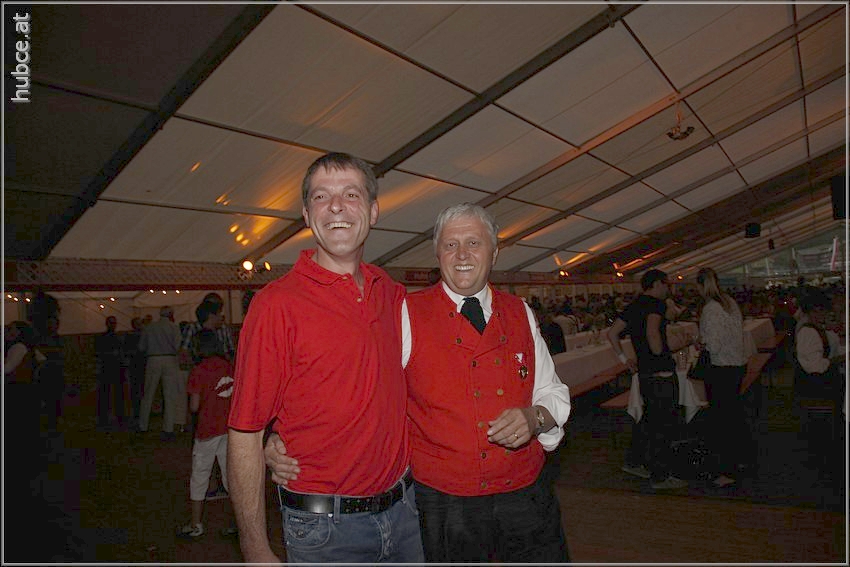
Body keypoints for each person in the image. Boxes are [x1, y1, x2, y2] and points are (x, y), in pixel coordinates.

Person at [266, 203, 572, 562]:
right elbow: (351, 388)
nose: (461, 255)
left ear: (494, 252)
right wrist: (284, 434)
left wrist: (535, 418)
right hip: (445, 505)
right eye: (450, 245)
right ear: (437, 254)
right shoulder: (405, 312)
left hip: (526, 495)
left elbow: (551, 392)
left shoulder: (520, 311)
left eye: (474, 243)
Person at [227, 152, 423, 564]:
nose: (336, 206)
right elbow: (244, 431)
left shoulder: (390, 292)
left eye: (351, 194)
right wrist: (254, 547)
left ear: (373, 211)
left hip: (406, 514)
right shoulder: (276, 304)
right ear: (306, 214)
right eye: (321, 196)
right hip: (326, 530)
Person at [606, 269, 688, 490]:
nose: (668, 288)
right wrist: (664, 349)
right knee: (663, 424)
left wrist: (625, 359)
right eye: (666, 284)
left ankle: (634, 461)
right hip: (660, 370)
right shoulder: (656, 305)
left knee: (649, 419)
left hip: (644, 371)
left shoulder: (634, 305)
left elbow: (612, 334)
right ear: (657, 284)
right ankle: (660, 475)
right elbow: (653, 333)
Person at [176, 330, 237, 539]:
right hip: (229, 429)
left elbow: (194, 406)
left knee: (200, 476)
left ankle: (196, 525)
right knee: (231, 477)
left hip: (208, 430)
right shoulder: (228, 366)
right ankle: (238, 523)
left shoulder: (199, 370)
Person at [695, 267, 748, 487]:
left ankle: (726, 469)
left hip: (721, 368)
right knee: (733, 417)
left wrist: (701, 342)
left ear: (700, 286)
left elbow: (713, 345)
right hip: (736, 365)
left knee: (721, 421)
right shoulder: (729, 302)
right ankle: (739, 460)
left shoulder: (711, 308)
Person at [793, 288, 845, 403]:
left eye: (822, 310)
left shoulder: (819, 327)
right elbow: (815, 367)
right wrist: (840, 358)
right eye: (815, 311)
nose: (820, 314)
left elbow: (833, 348)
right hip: (813, 384)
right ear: (808, 312)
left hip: (818, 377)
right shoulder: (808, 332)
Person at [138, 306, 182, 441]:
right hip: (169, 359)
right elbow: (177, 346)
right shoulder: (174, 327)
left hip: (152, 359)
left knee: (148, 393)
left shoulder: (149, 327)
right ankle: (168, 428)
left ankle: (143, 425)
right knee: (169, 395)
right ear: (171, 314)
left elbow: (141, 347)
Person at [95, 316, 125, 430]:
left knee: (114, 393)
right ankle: (106, 417)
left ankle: (116, 416)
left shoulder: (115, 337)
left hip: (113, 367)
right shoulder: (108, 337)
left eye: (114, 323)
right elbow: (98, 352)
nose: (113, 325)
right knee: (107, 393)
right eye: (111, 323)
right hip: (108, 367)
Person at [122, 317, 146, 430]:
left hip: (141, 365)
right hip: (136, 366)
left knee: (141, 389)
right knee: (136, 390)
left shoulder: (140, 335)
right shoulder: (131, 336)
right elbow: (126, 351)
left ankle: (141, 411)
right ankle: (137, 412)